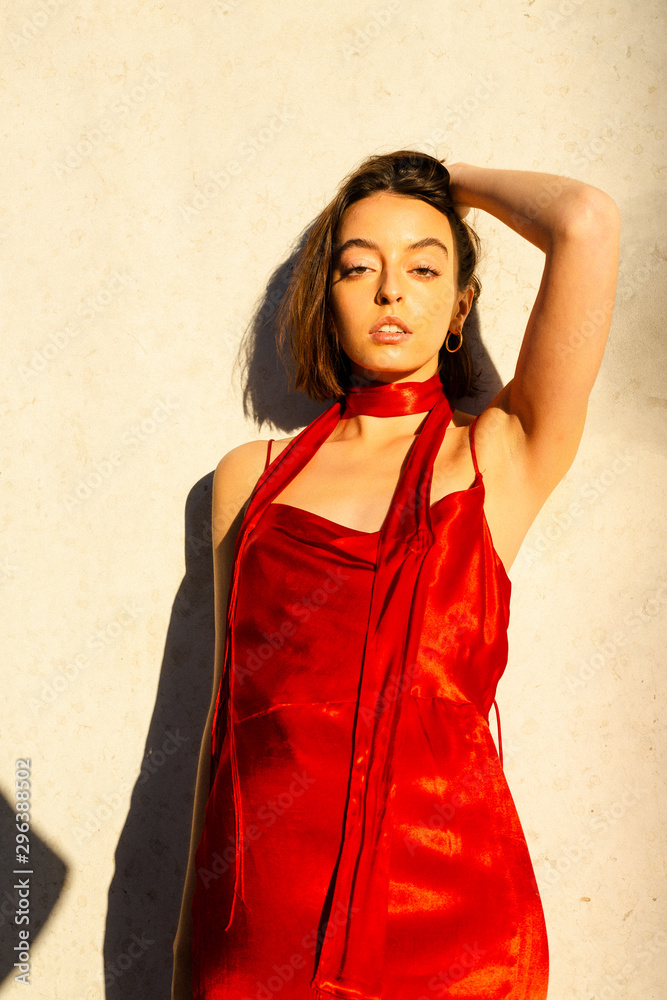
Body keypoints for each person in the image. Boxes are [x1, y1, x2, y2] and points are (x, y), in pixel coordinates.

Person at [171, 151, 620, 999]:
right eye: (357, 268)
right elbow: (222, 727)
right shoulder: (249, 476)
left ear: (460, 309)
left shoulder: (497, 453)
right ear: (325, 298)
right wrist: (188, 949)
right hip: (261, 919)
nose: (389, 291)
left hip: (458, 929)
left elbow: (585, 222)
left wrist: (443, 178)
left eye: (423, 265)